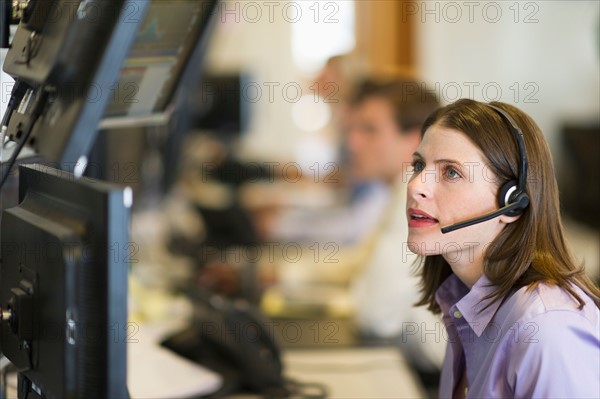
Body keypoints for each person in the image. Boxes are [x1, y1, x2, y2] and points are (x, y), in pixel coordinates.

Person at [406, 98, 600, 398]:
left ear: (512, 203)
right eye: (419, 165)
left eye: (451, 173)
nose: (416, 185)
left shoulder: (547, 330)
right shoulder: (464, 297)